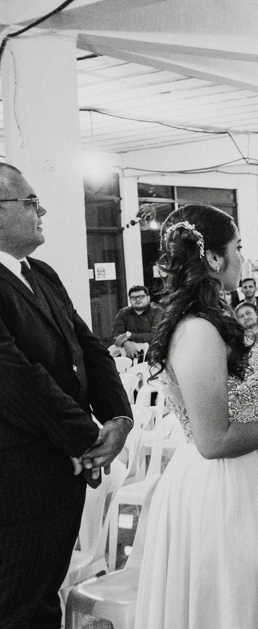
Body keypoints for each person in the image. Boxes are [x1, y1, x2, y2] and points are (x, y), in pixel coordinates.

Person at [135, 204, 258, 628]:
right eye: (238, 247)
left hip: (248, 472)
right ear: (214, 258)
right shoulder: (197, 330)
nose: (244, 258)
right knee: (232, 601)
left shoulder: (214, 317)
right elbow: (213, 440)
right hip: (220, 486)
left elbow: (233, 405)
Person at [0, 163, 133, 628]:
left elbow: (88, 348)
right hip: (18, 479)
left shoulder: (41, 273)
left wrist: (118, 418)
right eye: (31, 202)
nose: (42, 211)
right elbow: (16, 378)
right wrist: (87, 439)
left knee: (44, 600)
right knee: (17, 607)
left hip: (61, 470)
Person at [110, 284, 164, 361]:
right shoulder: (123, 313)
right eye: (133, 297)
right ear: (129, 299)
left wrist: (129, 335)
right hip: (128, 356)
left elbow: (155, 336)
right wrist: (126, 343)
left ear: (148, 298)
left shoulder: (157, 311)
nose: (137, 299)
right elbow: (116, 336)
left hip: (153, 356)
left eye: (141, 296)